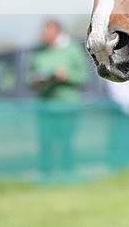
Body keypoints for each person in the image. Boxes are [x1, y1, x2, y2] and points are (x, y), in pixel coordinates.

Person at [28, 18, 89, 177]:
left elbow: (83, 76)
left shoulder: (72, 50)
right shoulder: (39, 52)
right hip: (46, 107)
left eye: (47, 31)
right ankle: (47, 176)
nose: (43, 34)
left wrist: (67, 76)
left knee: (66, 143)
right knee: (46, 144)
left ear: (57, 31)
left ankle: (68, 174)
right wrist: (39, 80)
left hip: (67, 106)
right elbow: (30, 78)